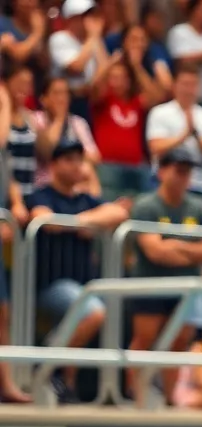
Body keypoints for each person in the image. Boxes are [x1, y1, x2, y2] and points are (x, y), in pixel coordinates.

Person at [25, 139, 130, 401]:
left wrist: (76, 223)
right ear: (53, 165)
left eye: (79, 160)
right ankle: (53, 366)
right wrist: (86, 225)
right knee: (92, 311)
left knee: (115, 305)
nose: (76, 166)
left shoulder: (86, 199)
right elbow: (44, 220)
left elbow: (118, 212)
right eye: (68, 159)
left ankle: (69, 382)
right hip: (50, 284)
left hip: (85, 285)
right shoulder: (41, 194)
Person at [126, 147, 202, 407]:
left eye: (188, 171)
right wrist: (194, 252)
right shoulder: (146, 206)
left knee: (179, 341)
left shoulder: (199, 206)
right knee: (145, 337)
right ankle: (137, 394)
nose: (183, 177)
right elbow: (155, 251)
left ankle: (171, 397)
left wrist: (176, 247)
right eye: (178, 170)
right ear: (162, 171)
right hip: (150, 285)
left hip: (186, 288)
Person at [146, 65, 202, 196]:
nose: (189, 89)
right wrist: (183, 136)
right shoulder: (159, 112)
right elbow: (155, 148)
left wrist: (196, 135)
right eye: (185, 84)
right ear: (175, 85)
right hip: (163, 183)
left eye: (193, 84)